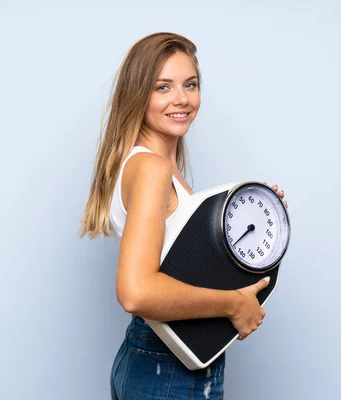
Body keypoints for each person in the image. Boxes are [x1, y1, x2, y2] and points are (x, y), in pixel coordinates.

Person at [80, 32, 286, 400]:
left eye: (190, 85)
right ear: (137, 94)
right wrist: (233, 304)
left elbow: (180, 263)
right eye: (163, 87)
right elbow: (136, 291)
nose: (182, 99)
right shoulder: (152, 168)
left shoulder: (144, 164)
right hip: (166, 369)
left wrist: (259, 214)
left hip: (151, 361)